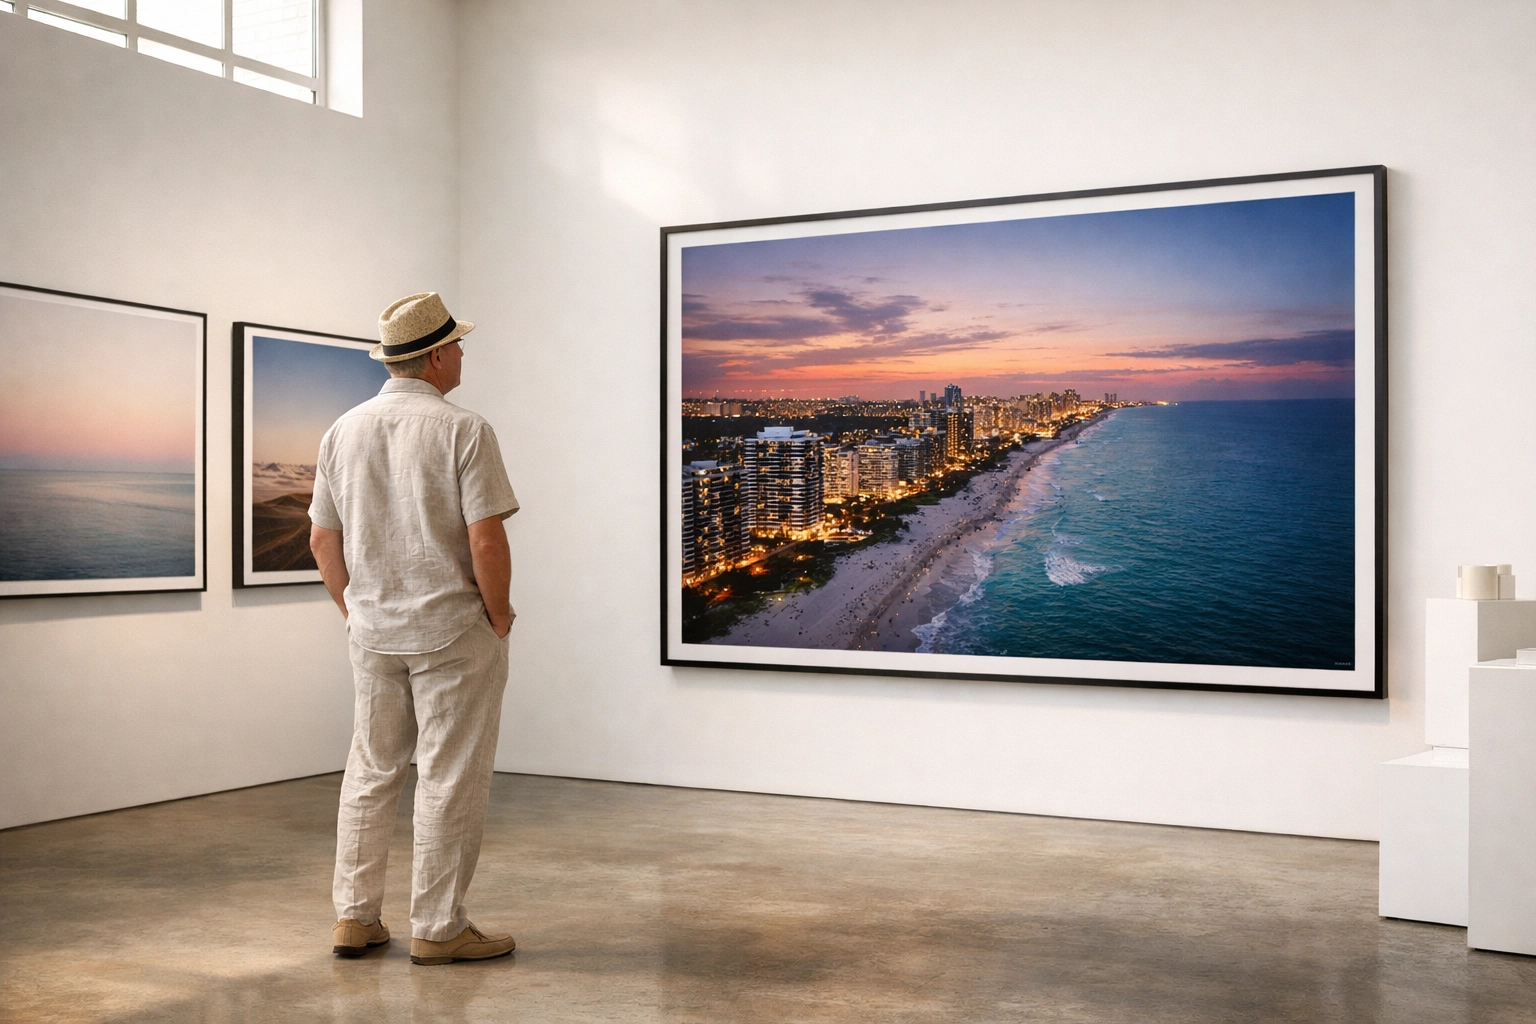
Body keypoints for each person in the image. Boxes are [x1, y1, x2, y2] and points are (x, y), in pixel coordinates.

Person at [308, 292, 519, 966]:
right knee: (449, 775)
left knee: (371, 771)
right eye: (455, 344)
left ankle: (354, 917)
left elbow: (320, 542)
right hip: (452, 629)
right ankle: (437, 927)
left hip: (374, 631)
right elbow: (486, 542)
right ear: (433, 357)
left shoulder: (342, 430)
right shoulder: (465, 429)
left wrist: (356, 609)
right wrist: (501, 613)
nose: (461, 354)